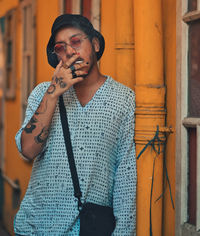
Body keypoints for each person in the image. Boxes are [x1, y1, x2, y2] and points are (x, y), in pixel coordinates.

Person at [14, 14, 137, 236]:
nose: (70, 51)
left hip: (91, 226)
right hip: (38, 226)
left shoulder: (123, 99)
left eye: (76, 41)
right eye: (60, 47)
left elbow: (125, 174)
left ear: (96, 44)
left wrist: (124, 231)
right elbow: (28, 150)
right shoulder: (42, 92)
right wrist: (54, 93)